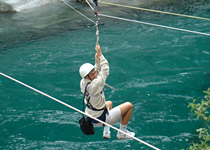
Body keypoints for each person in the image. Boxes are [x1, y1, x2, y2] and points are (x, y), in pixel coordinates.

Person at [79, 44, 135, 139]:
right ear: (86, 76)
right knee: (129, 106)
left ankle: (106, 132)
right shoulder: (95, 84)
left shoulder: (83, 82)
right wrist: (100, 54)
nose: (95, 75)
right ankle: (122, 132)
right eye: (92, 74)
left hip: (90, 115)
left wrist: (96, 62)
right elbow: (105, 70)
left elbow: (95, 72)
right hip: (101, 119)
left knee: (109, 103)